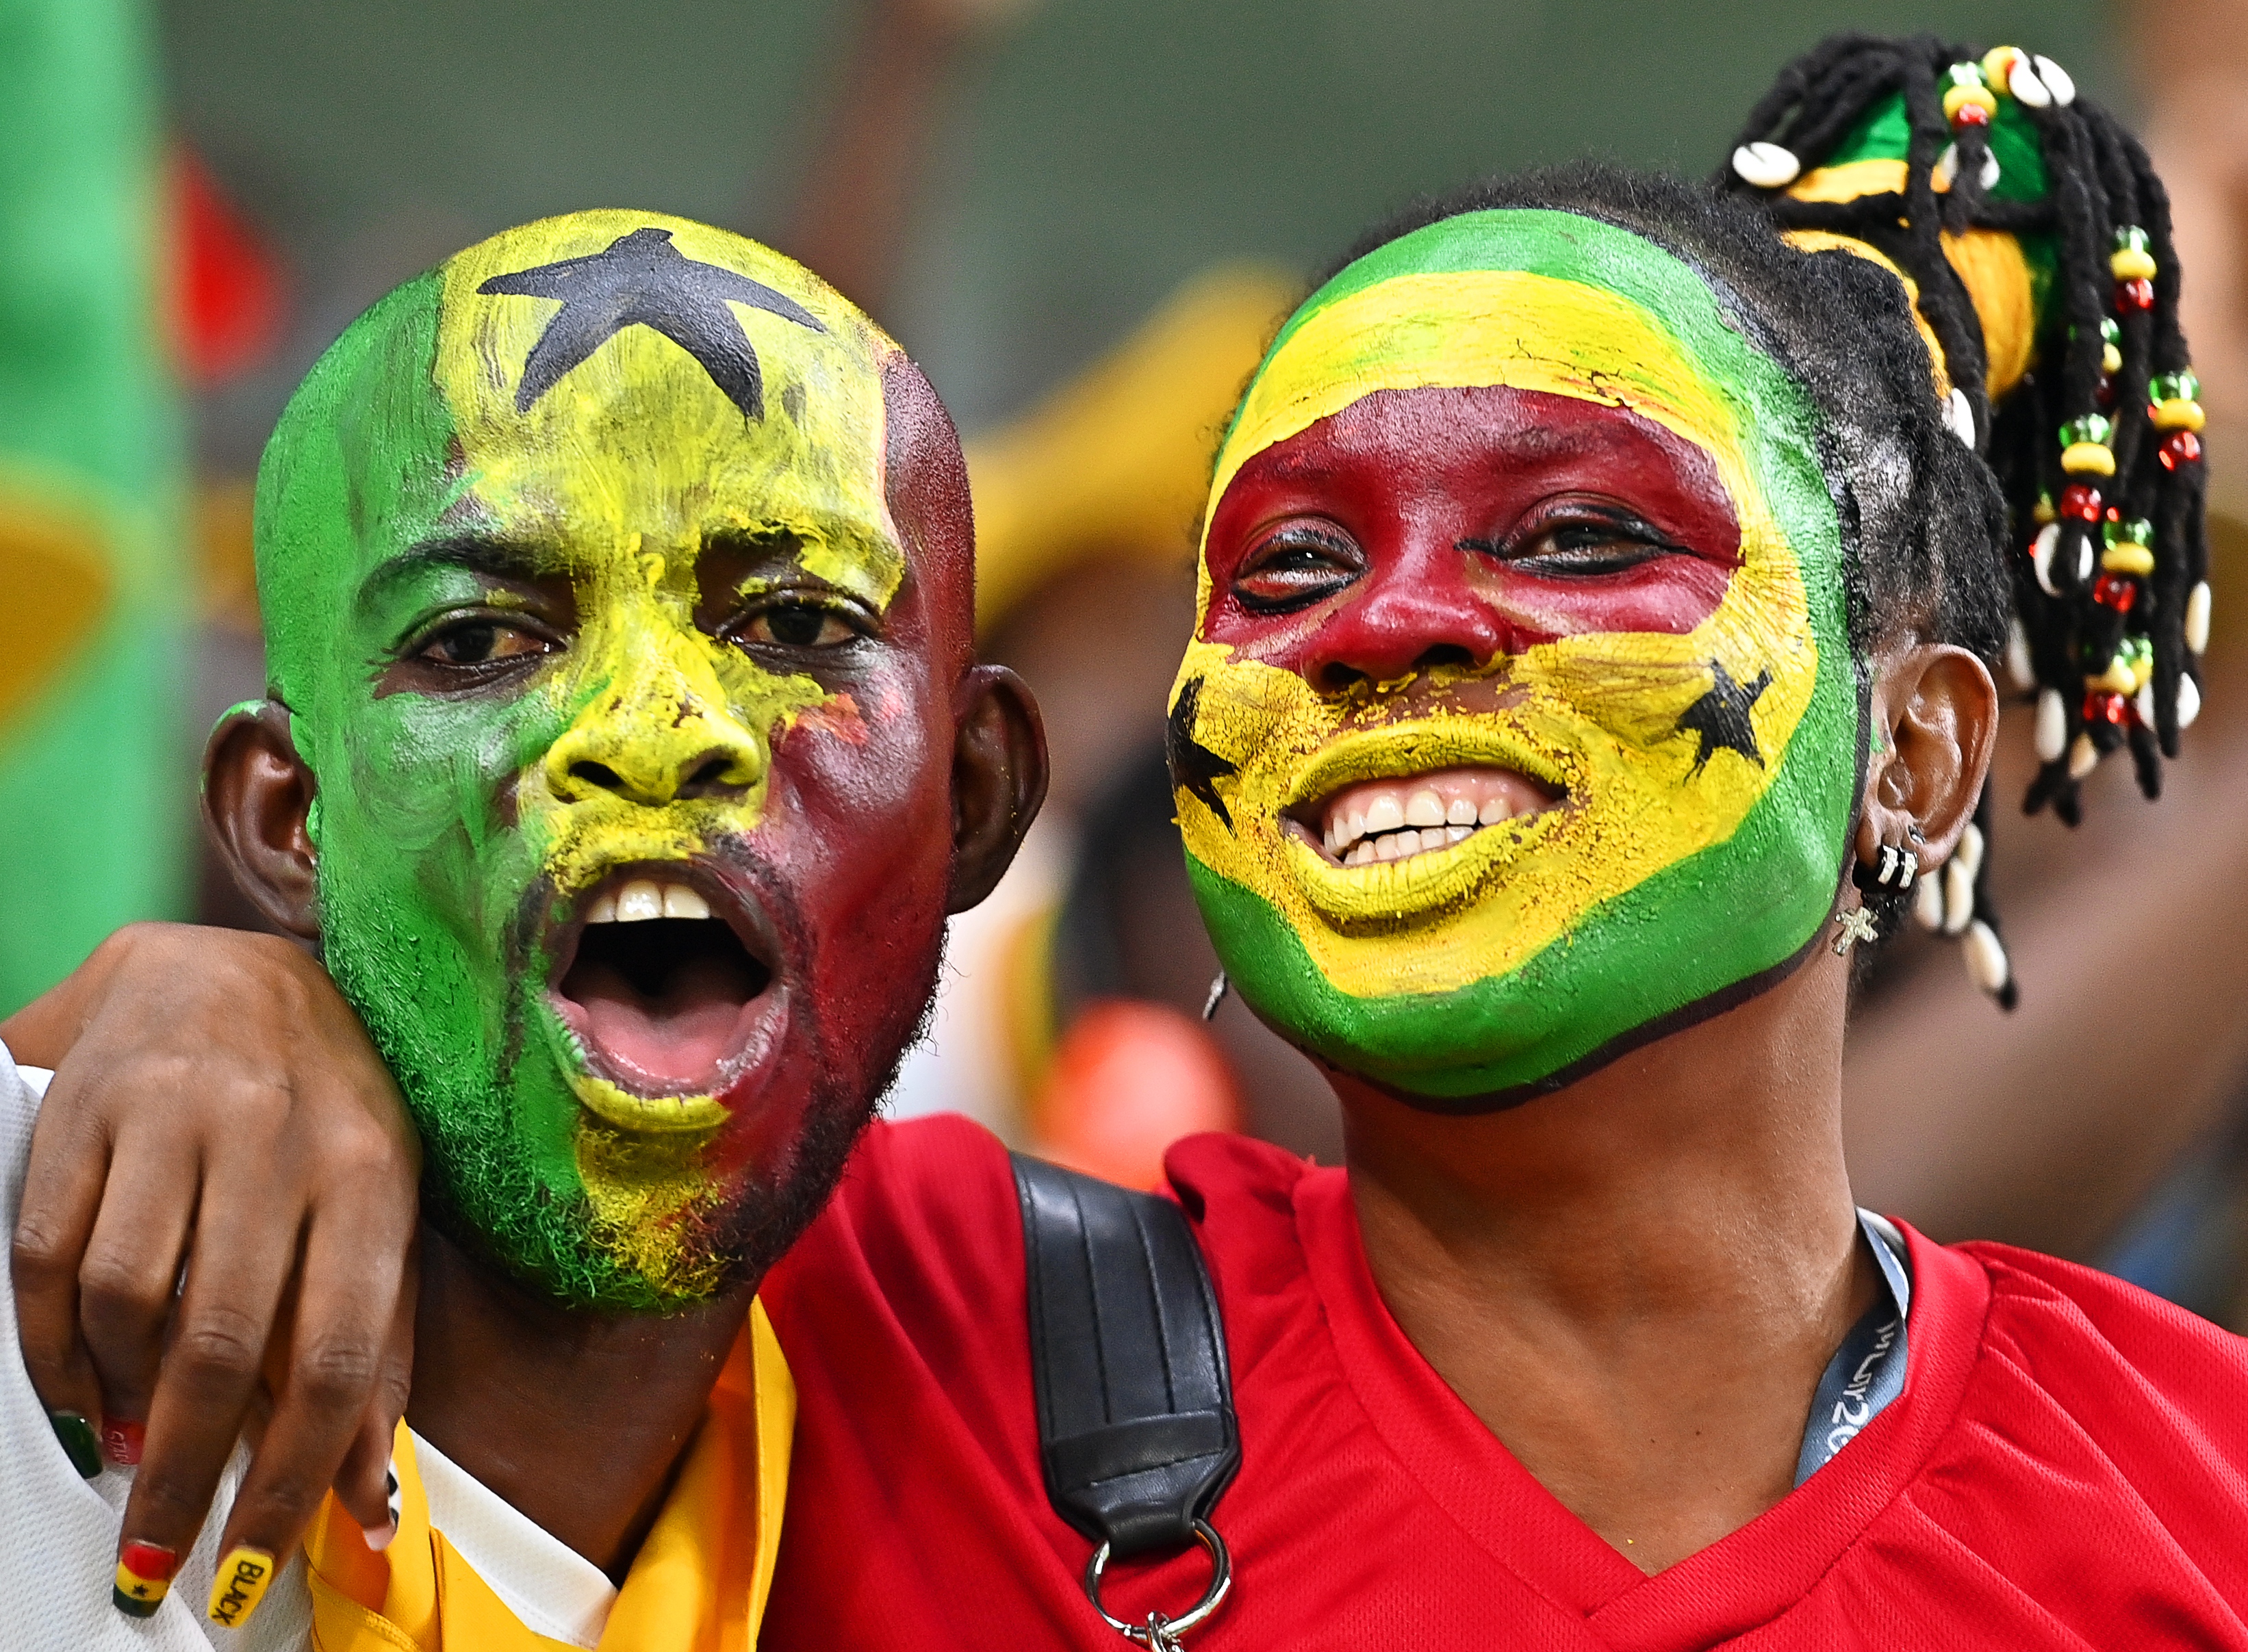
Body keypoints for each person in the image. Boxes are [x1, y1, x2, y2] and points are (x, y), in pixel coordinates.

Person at [18, 39, 2247, 1649]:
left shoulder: (2190, 1485)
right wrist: (231, 1005)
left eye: (1574, 532)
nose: (1389, 624)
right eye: (1281, 569)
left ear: (1922, 754)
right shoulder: (887, 1316)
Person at [1, 205, 1041, 1646]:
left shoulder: (1043, 1430)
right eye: (479, 639)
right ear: (284, 821)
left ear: (975, 794)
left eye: (795, 623)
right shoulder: (32, 1322)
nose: (654, 734)